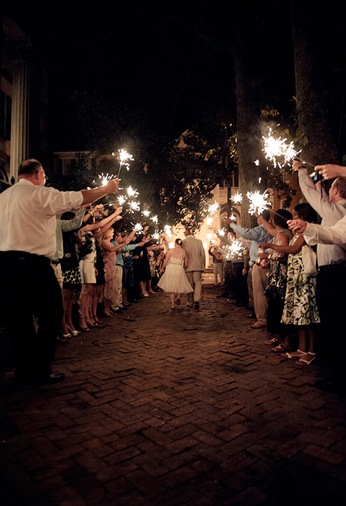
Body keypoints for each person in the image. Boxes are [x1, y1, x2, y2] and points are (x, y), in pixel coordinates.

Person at [0, 159, 119, 386]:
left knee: (19, 319)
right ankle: (39, 369)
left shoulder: (3, 198)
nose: (45, 180)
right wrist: (107, 189)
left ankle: (24, 372)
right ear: (39, 173)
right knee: (52, 312)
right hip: (32, 264)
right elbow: (77, 197)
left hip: (5, 265)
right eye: (44, 176)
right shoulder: (39, 194)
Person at [260, 204, 320, 364]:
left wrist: (271, 246)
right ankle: (301, 349)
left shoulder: (307, 231)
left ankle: (311, 350)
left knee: (307, 316)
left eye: (295, 216)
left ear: (303, 217)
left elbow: (293, 249)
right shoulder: (298, 232)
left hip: (304, 279)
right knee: (299, 316)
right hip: (296, 279)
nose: (292, 219)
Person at [257, 209, 292, 349]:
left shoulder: (284, 235)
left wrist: (267, 256)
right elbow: (269, 228)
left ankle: (286, 341)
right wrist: (259, 217)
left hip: (281, 277)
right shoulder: (278, 233)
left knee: (280, 308)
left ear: (276, 220)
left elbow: (283, 256)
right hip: (275, 276)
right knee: (275, 308)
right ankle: (278, 337)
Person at [226, 211, 272, 320]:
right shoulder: (267, 230)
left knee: (259, 293)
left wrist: (232, 224)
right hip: (257, 263)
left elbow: (247, 233)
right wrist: (247, 244)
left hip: (260, 264)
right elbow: (256, 241)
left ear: (260, 218)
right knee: (254, 292)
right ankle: (256, 312)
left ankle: (262, 318)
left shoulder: (262, 229)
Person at [157, 238, 193, 310]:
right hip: (179, 268)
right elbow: (186, 264)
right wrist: (182, 268)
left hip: (170, 268)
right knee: (179, 283)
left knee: (171, 286)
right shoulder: (184, 252)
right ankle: (178, 296)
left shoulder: (171, 251)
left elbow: (166, 261)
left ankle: (173, 305)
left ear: (175, 243)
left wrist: (162, 268)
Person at [182, 227, 206, 311]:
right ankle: (196, 300)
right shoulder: (199, 242)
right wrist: (203, 265)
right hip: (197, 265)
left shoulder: (183, 242)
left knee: (189, 284)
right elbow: (202, 254)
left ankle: (190, 301)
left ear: (186, 233)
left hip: (187, 265)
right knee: (198, 283)